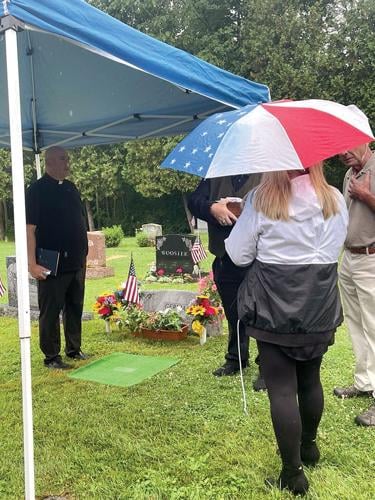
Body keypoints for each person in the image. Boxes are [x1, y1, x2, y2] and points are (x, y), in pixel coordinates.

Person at [225, 165, 348, 496]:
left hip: (275, 304)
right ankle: (308, 447)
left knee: (281, 389)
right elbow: (339, 242)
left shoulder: (262, 199)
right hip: (318, 303)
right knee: (311, 379)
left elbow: (237, 255)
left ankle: (293, 475)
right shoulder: (334, 197)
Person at [188, 175, 265, 388]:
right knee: (233, 312)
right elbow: (194, 201)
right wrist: (213, 208)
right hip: (224, 256)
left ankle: (266, 365)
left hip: (259, 258)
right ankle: (236, 358)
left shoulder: (267, 172)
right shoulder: (215, 174)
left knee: (261, 313)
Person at [26, 146, 89, 369]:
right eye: (63, 158)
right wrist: (31, 264)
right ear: (49, 162)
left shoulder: (72, 188)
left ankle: (74, 348)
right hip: (50, 261)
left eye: (67, 158)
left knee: (74, 306)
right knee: (51, 310)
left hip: (76, 261)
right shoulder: (36, 190)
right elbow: (29, 229)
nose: (67, 162)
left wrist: (84, 255)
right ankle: (51, 356)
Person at [334, 140, 375, 426]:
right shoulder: (349, 174)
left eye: (349, 146)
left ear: (367, 138)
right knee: (356, 323)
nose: (343, 153)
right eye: (340, 148)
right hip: (349, 258)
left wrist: (366, 195)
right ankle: (364, 383)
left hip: (372, 258)